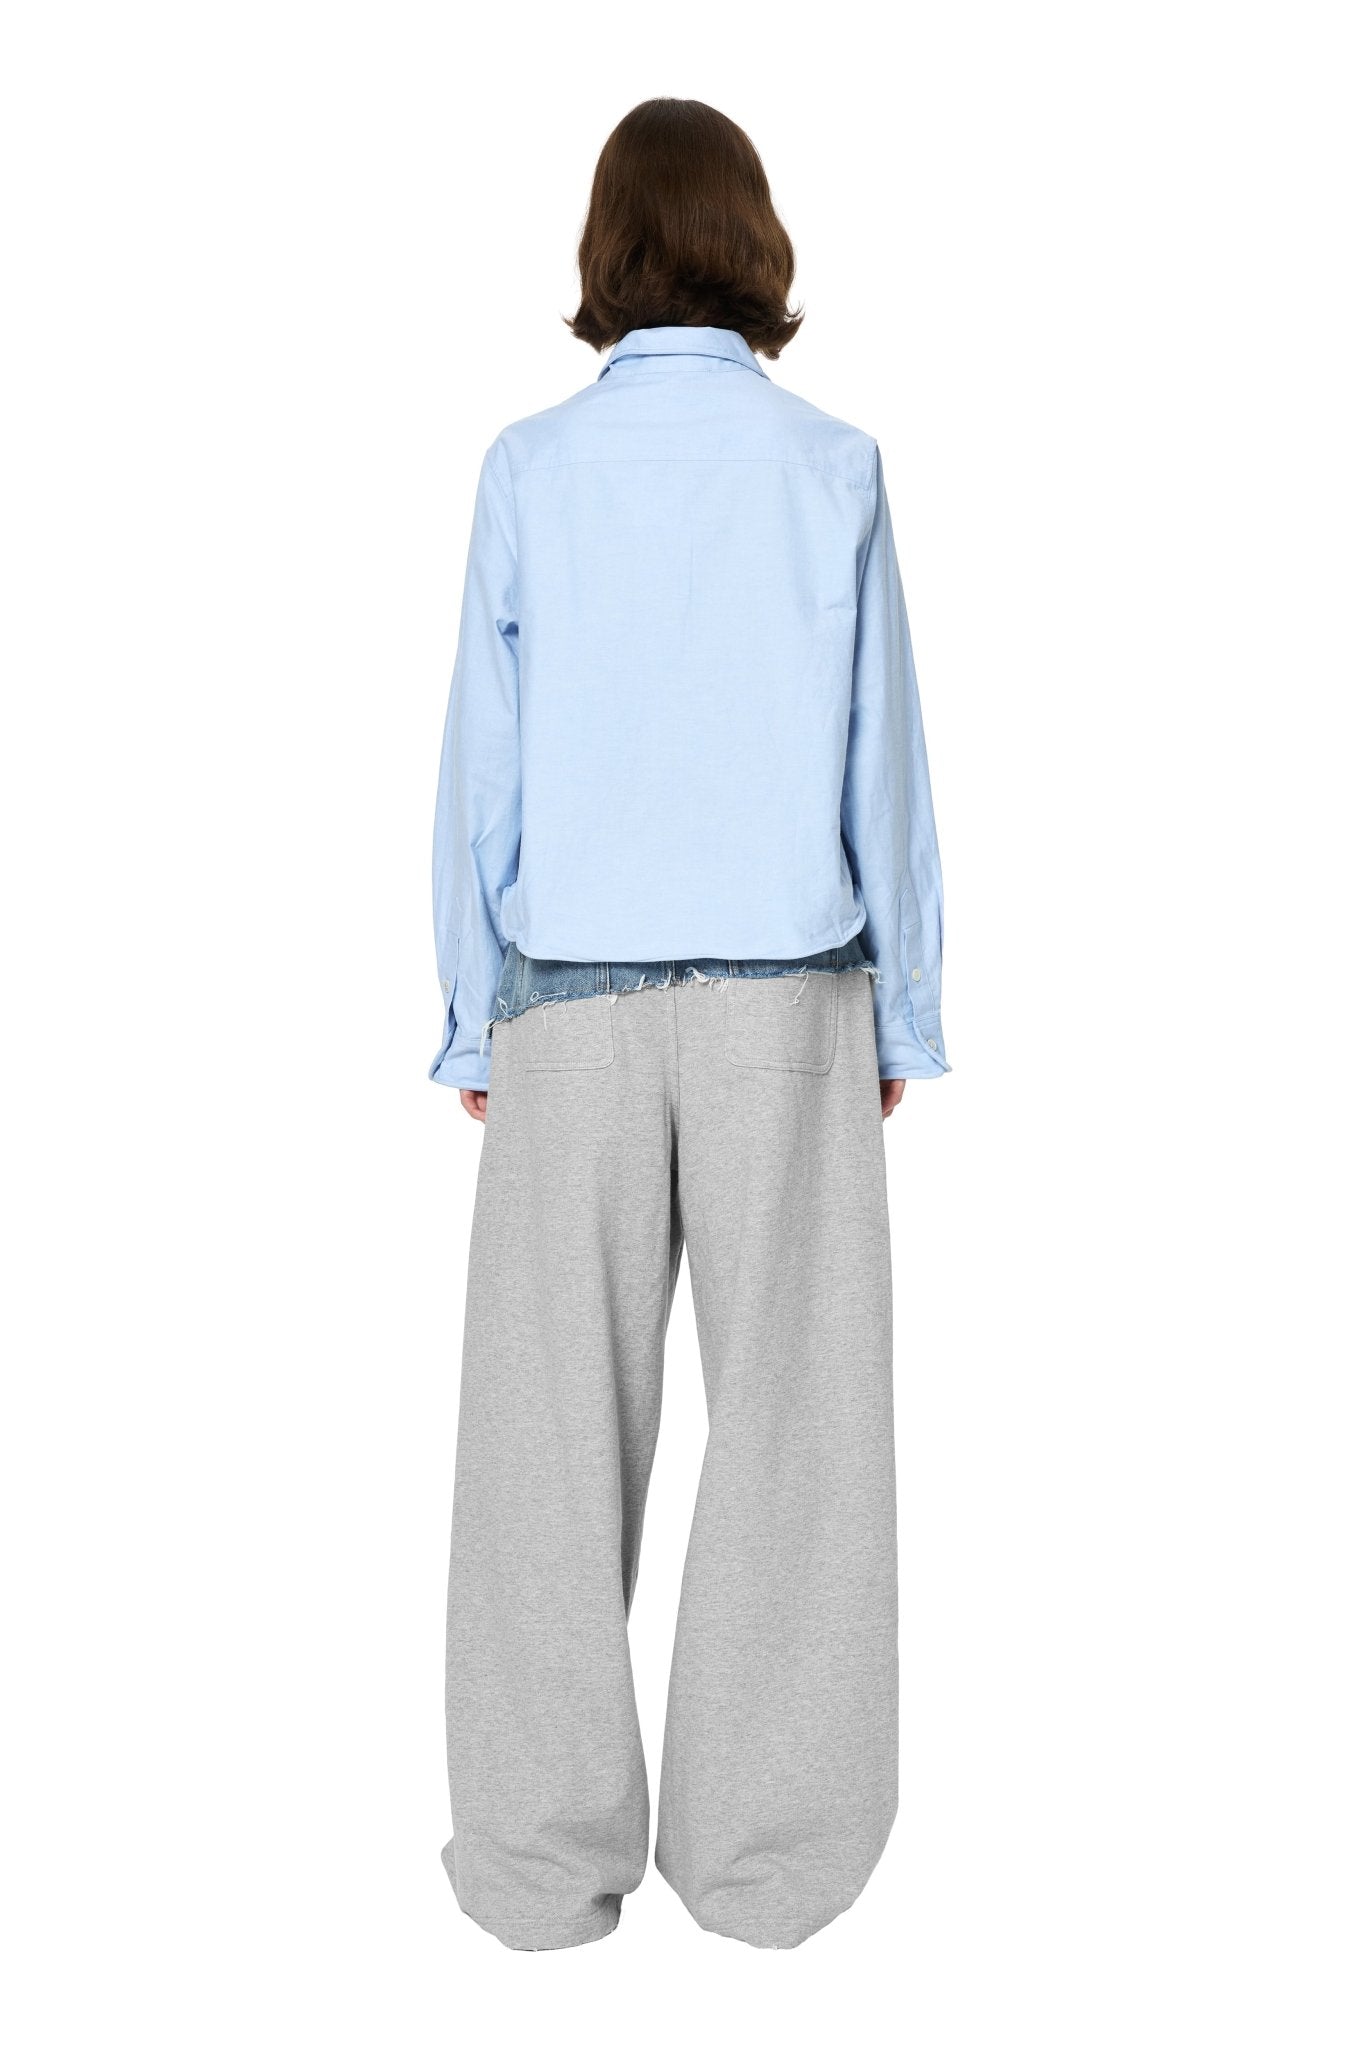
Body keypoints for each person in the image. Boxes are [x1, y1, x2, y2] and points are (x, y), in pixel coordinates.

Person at [429, 97, 950, 1952]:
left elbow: (480, 768)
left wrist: (470, 1020)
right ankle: (767, 1867)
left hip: (564, 1005)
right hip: (787, 998)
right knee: (801, 1432)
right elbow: (883, 756)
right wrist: (906, 1005)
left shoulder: (528, 469)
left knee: (540, 1447)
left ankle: (532, 1867)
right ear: (754, 241)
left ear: (605, 248)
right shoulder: (830, 466)